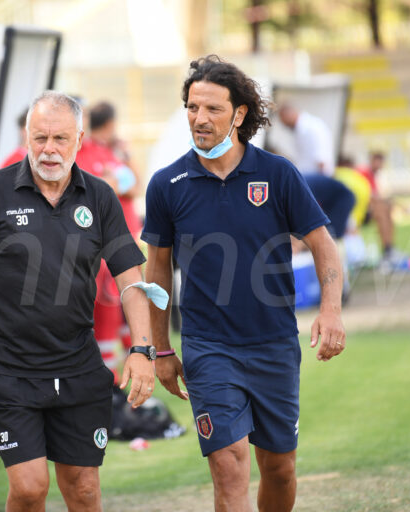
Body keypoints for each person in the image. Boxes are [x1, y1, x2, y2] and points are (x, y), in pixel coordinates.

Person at [143, 55, 346, 512]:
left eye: (213, 109)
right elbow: (156, 271)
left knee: (279, 468)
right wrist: (160, 347)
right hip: (207, 347)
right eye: (193, 107)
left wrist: (331, 310)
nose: (200, 119)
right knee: (230, 465)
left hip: (273, 343)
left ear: (239, 115)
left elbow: (323, 244)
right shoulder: (167, 184)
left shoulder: (278, 174)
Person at [0, 91, 160, 512]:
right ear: (27, 137)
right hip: (7, 369)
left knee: (83, 491)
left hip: (77, 367)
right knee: (29, 487)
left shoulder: (99, 197)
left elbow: (131, 280)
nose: (49, 149)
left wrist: (142, 349)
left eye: (60, 138)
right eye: (40, 138)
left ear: (80, 139)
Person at [76, 101, 142, 377]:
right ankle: (104, 374)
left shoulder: (109, 151)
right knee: (99, 306)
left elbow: (135, 185)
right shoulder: (78, 154)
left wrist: (123, 165)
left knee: (118, 303)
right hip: (91, 245)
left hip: (121, 241)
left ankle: (117, 374)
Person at [278, 103, 355, 239]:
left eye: (284, 122)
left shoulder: (312, 127)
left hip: (316, 183)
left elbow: (322, 161)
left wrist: (317, 194)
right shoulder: (301, 130)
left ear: (289, 114)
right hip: (311, 183)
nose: (285, 127)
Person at [355, 151, 404, 269]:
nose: (381, 165)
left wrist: (397, 204)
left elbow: (377, 196)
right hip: (358, 211)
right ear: (373, 160)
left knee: (387, 209)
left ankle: (389, 248)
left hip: (367, 209)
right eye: (379, 162)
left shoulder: (372, 175)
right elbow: (371, 197)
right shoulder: (363, 173)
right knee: (382, 210)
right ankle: (388, 249)